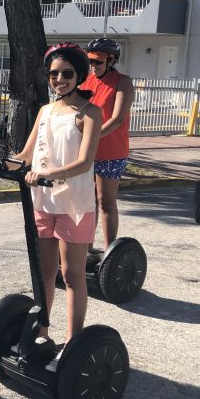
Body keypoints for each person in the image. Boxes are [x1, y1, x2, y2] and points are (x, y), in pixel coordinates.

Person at [0, 43, 102, 362]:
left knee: (73, 275)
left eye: (66, 73)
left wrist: (50, 172)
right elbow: (25, 156)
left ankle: (73, 344)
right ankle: (41, 332)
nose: (59, 79)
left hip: (75, 205)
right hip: (43, 202)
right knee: (45, 272)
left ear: (78, 75)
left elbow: (85, 161)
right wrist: (0, 165)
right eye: (54, 74)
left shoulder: (89, 113)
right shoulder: (45, 111)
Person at [80, 38, 134, 250]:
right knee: (87, 202)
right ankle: (86, 246)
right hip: (87, 150)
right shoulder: (86, 81)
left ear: (111, 60)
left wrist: (92, 137)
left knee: (105, 201)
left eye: (98, 62)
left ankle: (111, 251)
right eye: (91, 62)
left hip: (111, 151)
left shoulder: (122, 82)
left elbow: (118, 118)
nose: (93, 66)